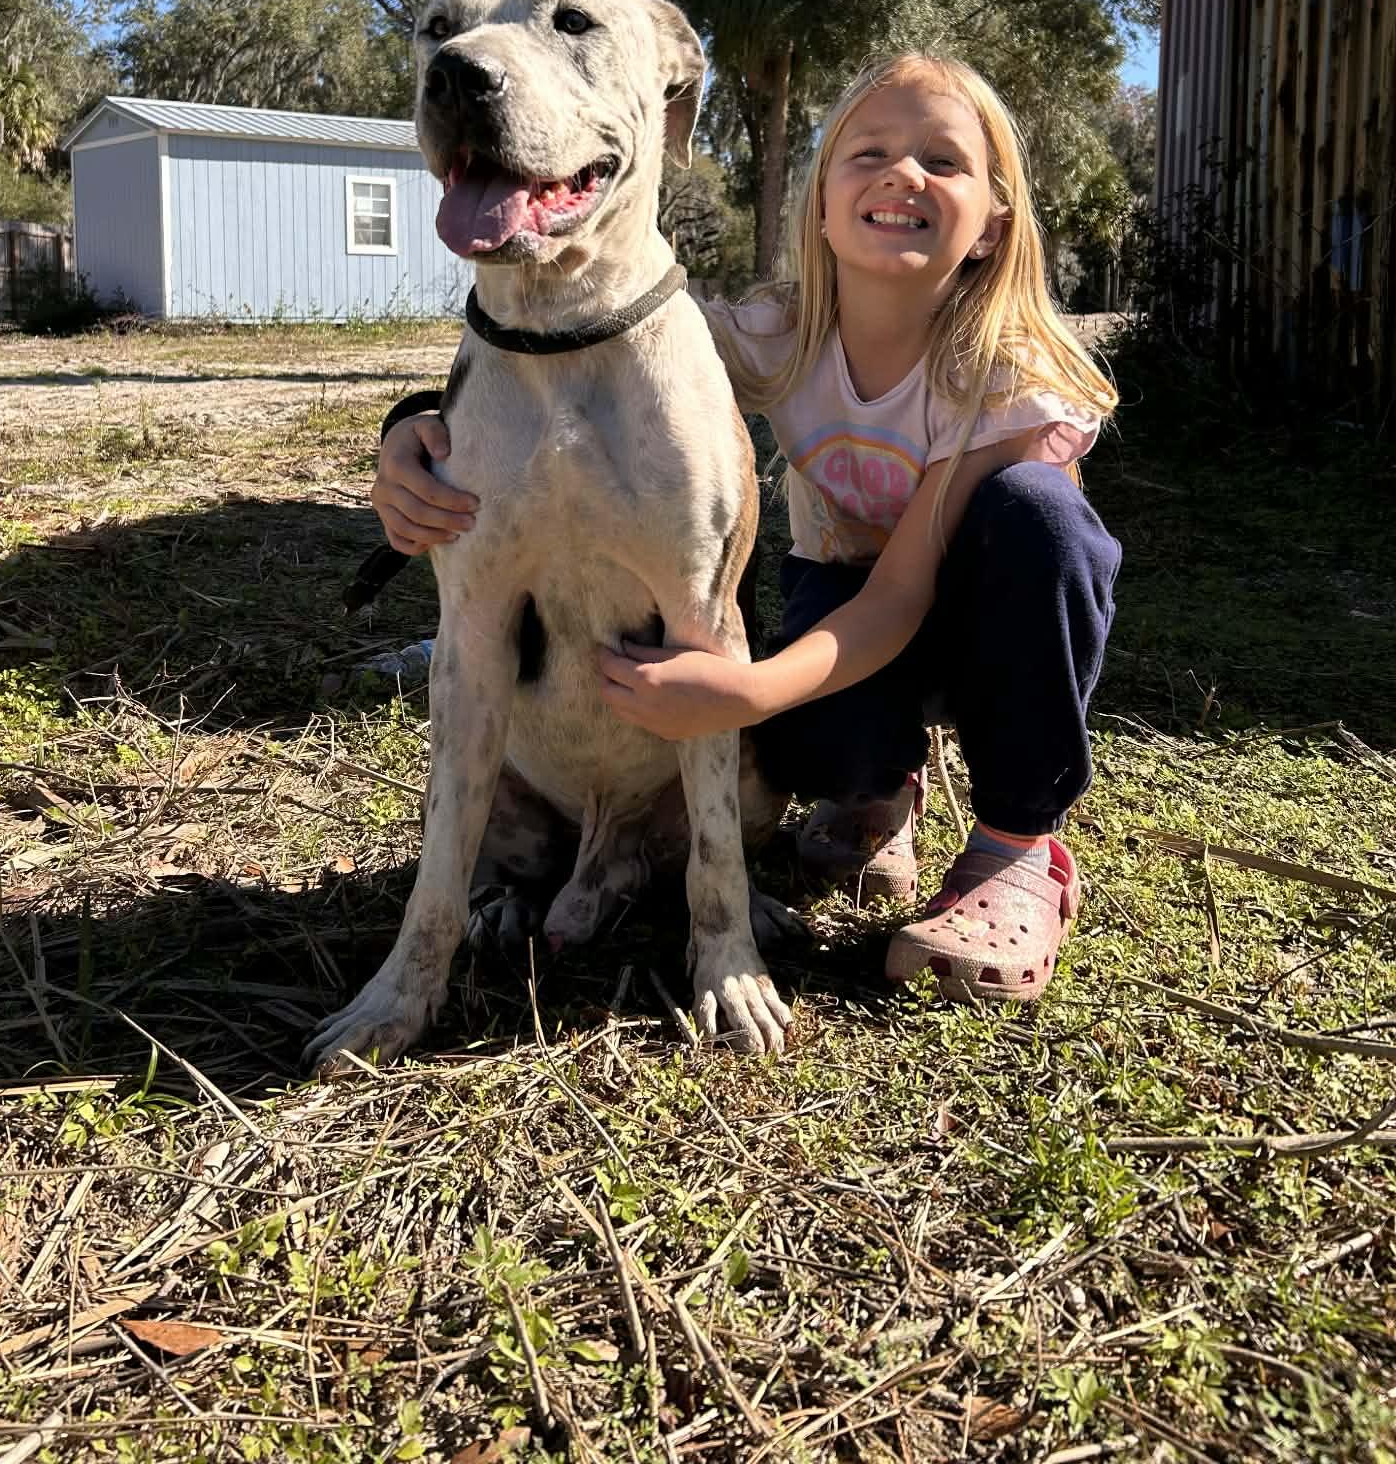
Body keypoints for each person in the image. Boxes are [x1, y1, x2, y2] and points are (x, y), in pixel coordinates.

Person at [370, 52, 1120, 1003]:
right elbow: (583, 356)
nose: (904, 174)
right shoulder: (778, 333)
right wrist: (412, 427)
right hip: (851, 604)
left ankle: (1016, 851)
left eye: (944, 160)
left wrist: (749, 691)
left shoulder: (1003, 376)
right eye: (871, 152)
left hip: (989, 618)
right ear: (819, 203)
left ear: (992, 226)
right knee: (813, 747)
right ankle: (878, 791)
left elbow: (902, 598)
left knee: (1039, 517)